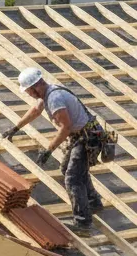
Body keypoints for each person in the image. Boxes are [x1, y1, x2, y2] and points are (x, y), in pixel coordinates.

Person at [6, 67, 105, 235]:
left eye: (28, 91)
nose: (28, 94)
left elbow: (64, 128)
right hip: (82, 136)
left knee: (72, 179)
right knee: (70, 170)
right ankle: (93, 201)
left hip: (87, 138)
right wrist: (15, 128)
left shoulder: (55, 99)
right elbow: (35, 111)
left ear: (35, 87)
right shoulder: (48, 92)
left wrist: (48, 150)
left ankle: (83, 222)